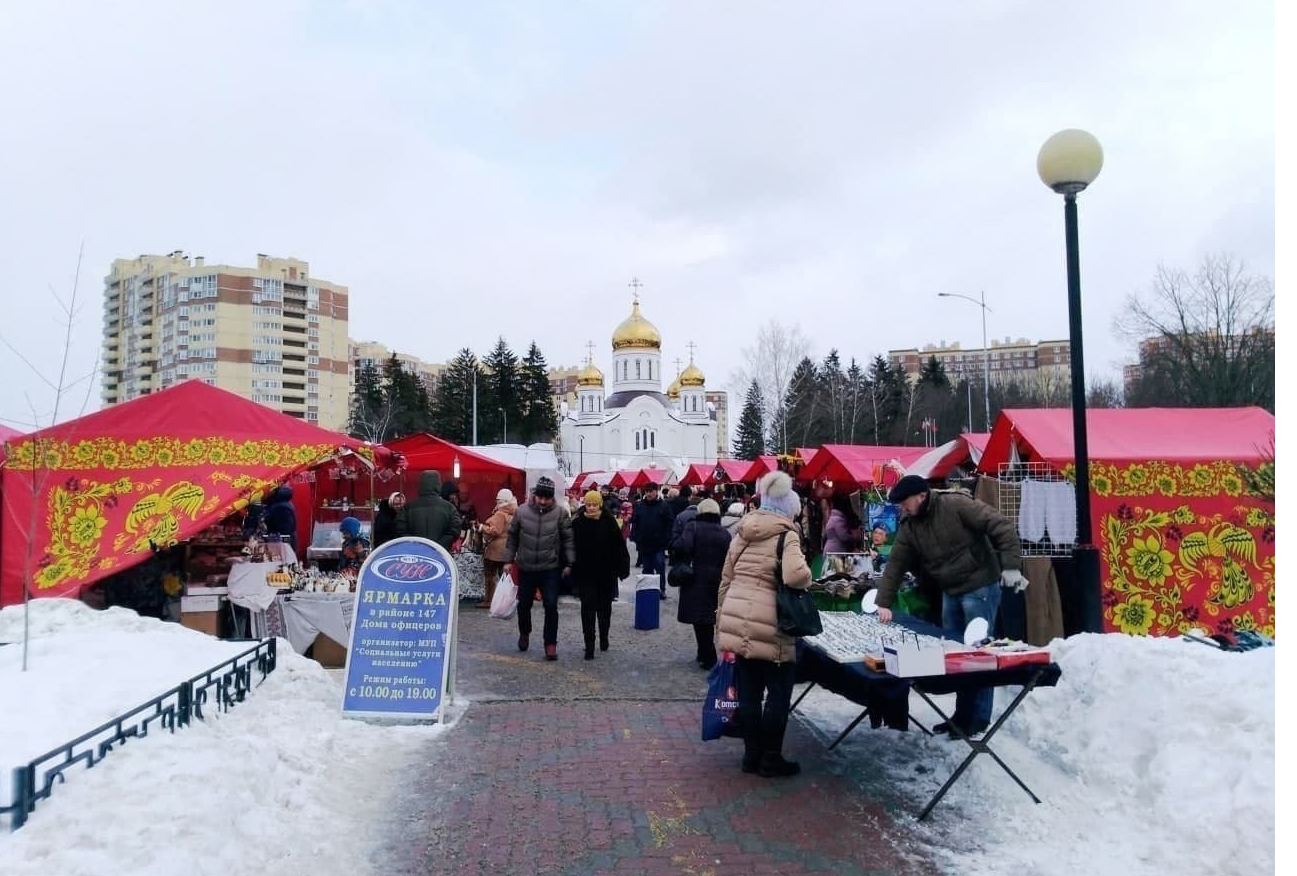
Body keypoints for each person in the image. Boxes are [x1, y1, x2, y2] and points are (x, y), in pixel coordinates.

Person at [874, 474, 1027, 737]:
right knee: (956, 657)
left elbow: (1001, 525)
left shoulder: (956, 504)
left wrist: (1011, 567)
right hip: (951, 590)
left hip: (980, 586)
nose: (902, 507)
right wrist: (883, 602)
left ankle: (977, 718)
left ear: (921, 496)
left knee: (978, 655)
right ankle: (961, 715)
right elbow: (897, 563)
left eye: (904, 502)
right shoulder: (910, 523)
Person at [717, 470, 813, 778]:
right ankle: (771, 758)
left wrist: (722, 620)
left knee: (749, 692)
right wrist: (808, 575)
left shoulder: (744, 531)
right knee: (779, 693)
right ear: (788, 507)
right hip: (771, 624)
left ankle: (750, 756)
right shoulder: (787, 534)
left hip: (739, 618)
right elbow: (795, 576)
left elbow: (726, 578)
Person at [503, 476, 574, 661]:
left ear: (552, 498)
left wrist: (569, 563)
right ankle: (524, 632)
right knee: (524, 604)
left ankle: (550, 644)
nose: (542, 501)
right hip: (526, 566)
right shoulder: (521, 512)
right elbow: (512, 538)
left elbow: (568, 539)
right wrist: (508, 560)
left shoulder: (560, 513)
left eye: (546, 498)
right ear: (534, 495)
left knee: (551, 605)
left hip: (550, 567)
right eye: (539, 497)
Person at [672, 498, 731, 670]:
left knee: (700, 619)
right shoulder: (724, 533)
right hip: (717, 579)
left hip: (696, 579)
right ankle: (704, 653)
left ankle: (708, 656)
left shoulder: (693, 527)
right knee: (709, 617)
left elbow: (683, 546)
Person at [571, 490, 630, 659]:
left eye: (594, 504)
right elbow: (570, 545)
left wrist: (622, 568)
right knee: (587, 610)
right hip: (586, 573)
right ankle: (589, 645)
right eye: (588, 505)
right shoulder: (578, 522)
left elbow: (619, 546)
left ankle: (604, 637)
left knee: (605, 609)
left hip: (606, 573)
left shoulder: (608, 521)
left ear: (600, 505)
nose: (591, 508)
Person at [630, 481, 675, 600]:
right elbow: (634, 522)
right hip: (644, 543)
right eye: (647, 491)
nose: (649, 494)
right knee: (647, 568)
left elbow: (669, 523)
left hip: (659, 544)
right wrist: (635, 536)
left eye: (651, 491)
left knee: (660, 566)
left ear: (656, 491)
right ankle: (647, 590)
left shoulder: (664, 506)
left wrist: (666, 538)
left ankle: (661, 590)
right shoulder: (640, 506)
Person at [479, 488, 518, 608]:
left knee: (490, 576)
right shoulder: (513, 512)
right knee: (505, 579)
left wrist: (482, 527)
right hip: (506, 550)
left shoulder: (500, 513)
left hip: (494, 550)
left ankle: (489, 600)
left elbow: (495, 530)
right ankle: (504, 602)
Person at [405, 471, 461, 550]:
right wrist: (439, 545)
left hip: (415, 555)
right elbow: (455, 529)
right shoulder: (449, 507)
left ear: (421, 485)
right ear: (438, 485)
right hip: (441, 555)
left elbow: (401, 531)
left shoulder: (407, 508)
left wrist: (416, 545)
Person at [263, 485, 297, 552]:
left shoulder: (280, 507)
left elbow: (285, 532)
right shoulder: (280, 503)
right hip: (281, 544)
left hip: (280, 546)